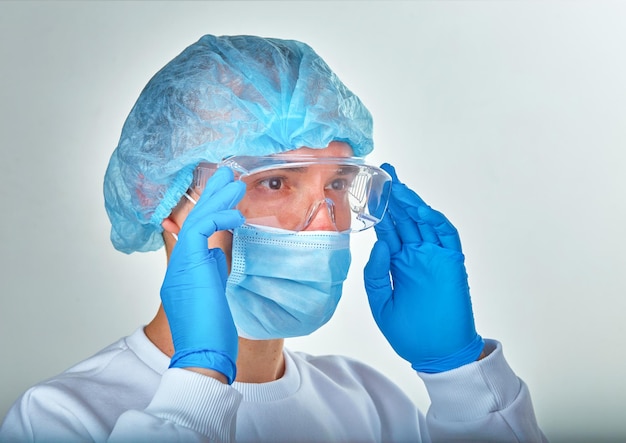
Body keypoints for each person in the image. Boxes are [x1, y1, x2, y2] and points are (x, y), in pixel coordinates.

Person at [0, 34, 547, 442]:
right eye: (275, 181)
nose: (324, 218)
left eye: (338, 182)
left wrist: (462, 381)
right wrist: (199, 380)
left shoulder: (372, 405)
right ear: (168, 203)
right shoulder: (62, 417)